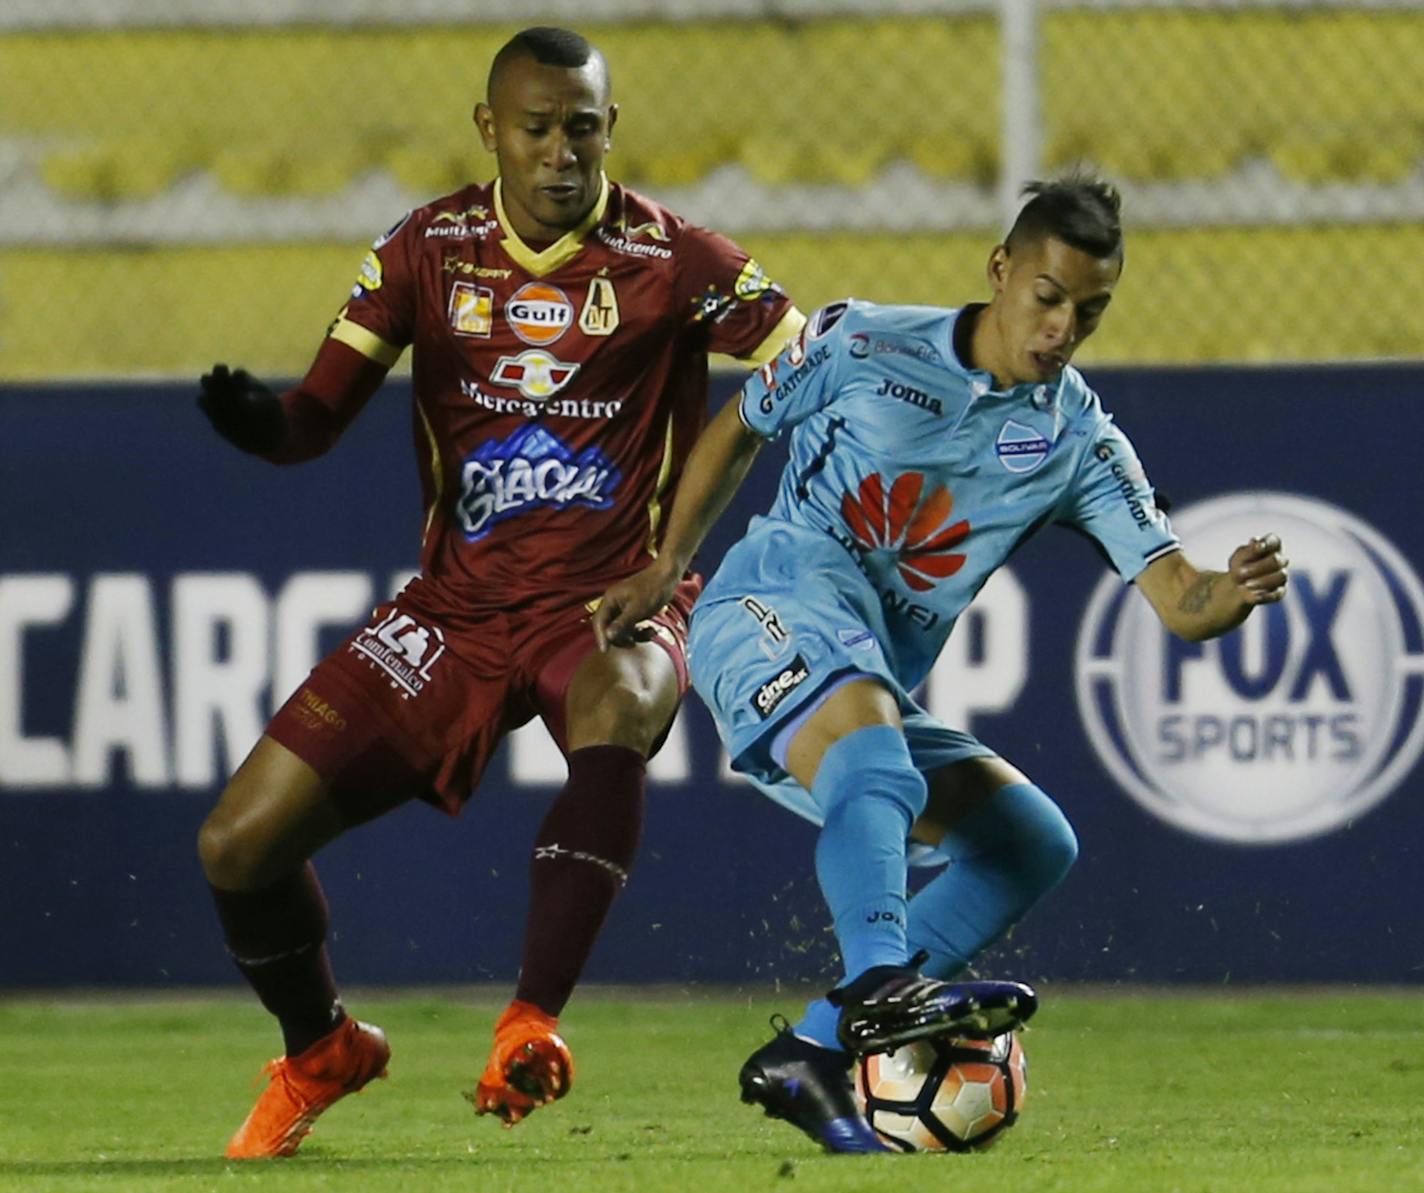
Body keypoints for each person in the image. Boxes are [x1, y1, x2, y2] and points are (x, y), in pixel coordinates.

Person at [194, 26, 804, 1159]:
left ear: (610, 128)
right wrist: (258, 423)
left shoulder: (675, 258)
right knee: (236, 844)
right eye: (536, 128)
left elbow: (800, 366)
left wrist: (673, 555)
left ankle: (531, 1019)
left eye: (583, 126)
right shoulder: (425, 247)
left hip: (608, 598)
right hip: (455, 609)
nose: (561, 150)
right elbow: (316, 416)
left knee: (620, 698)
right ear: (490, 130)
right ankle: (320, 1043)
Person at [593, 176, 1290, 1153]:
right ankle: (882, 980)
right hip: (765, 604)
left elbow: (1179, 599)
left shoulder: (1075, 440)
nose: (1060, 328)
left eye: (1087, 312)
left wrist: (1234, 588)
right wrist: (667, 564)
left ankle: (811, 1050)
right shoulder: (859, 340)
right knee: (877, 752)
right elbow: (741, 423)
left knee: (1028, 842)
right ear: (1000, 270)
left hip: (858, 674)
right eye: (1047, 296)